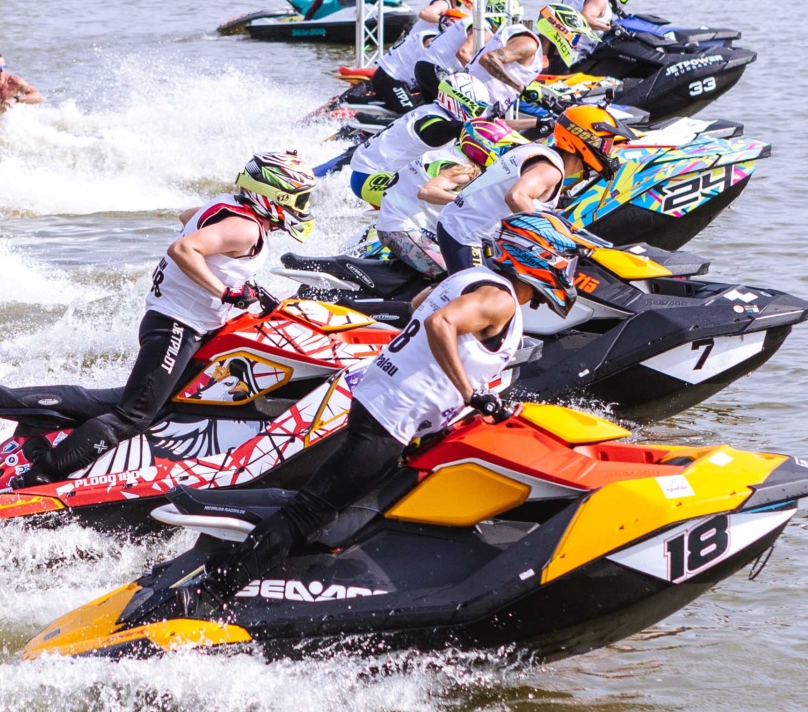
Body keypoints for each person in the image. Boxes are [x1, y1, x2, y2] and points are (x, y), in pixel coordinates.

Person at [201, 214, 576, 596]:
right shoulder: (499, 299)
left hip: (384, 399)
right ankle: (212, 590)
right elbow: (440, 323)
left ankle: (297, 572)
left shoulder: (471, 278)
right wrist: (469, 393)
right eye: (566, 262)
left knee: (344, 501)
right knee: (310, 511)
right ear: (536, 256)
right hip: (392, 413)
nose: (569, 272)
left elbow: (419, 304)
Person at [23, 153, 314, 483]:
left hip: (176, 319)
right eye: (301, 198)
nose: (303, 207)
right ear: (276, 195)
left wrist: (236, 280)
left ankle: (34, 420)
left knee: (150, 399)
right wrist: (227, 292)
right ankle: (40, 474)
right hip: (177, 325)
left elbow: (188, 217)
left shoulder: (231, 205)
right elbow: (183, 249)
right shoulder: (246, 229)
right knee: (133, 416)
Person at [346, 73, 491, 209]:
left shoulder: (432, 110)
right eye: (479, 110)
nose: (481, 116)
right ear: (461, 102)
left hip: (373, 171)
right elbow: (434, 133)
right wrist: (469, 127)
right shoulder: (434, 122)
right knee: (438, 203)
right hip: (369, 177)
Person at [435, 120, 563, 271]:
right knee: (482, 290)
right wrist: (548, 240)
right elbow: (517, 196)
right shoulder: (550, 168)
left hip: (461, 226)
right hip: (465, 234)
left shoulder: (534, 149)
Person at [374, 152, 478, 276]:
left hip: (396, 221)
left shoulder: (452, 153)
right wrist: (464, 203)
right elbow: (426, 191)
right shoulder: (465, 171)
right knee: (458, 276)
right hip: (402, 230)